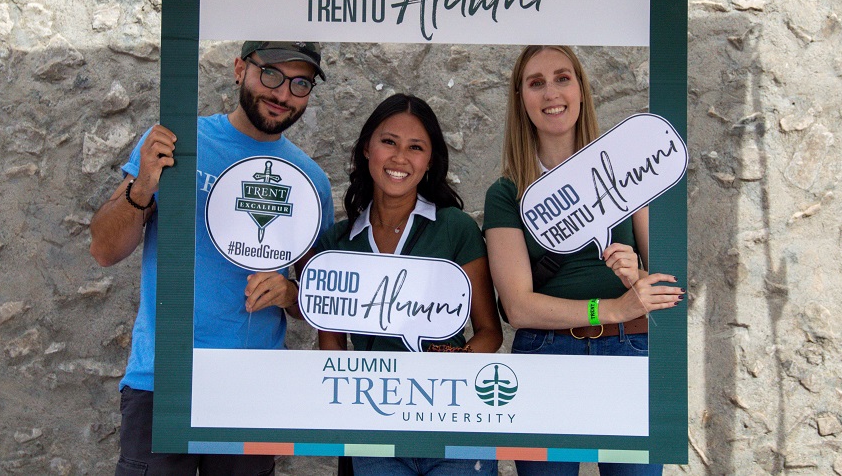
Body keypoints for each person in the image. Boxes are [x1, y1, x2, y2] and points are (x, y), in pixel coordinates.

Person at [89, 41, 335, 476]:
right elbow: (105, 250)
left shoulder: (310, 181)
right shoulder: (176, 144)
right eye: (272, 74)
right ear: (240, 68)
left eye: (300, 83)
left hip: (250, 389)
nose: (282, 94)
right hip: (163, 378)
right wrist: (143, 184)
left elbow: (320, 303)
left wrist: (289, 291)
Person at [482, 46, 683, 476]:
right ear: (521, 97)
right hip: (546, 357)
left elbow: (671, 289)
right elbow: (517, 307)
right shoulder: (506, 193)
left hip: (633, 349)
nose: (551, 92)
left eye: (562, 77)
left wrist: (638, 276)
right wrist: (611, 307)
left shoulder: (629, 169)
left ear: (580, 89)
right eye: (536, 82)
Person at [317, 93, 503, 476]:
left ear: (429, 160)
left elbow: (489, 332)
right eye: (389, 142)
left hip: (453, 424)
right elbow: (331, 345)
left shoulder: (456, 228)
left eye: (415, 147)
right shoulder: (338, 242)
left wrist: (457, 363)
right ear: (367, 148)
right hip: (374, 427)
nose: (400, 157)